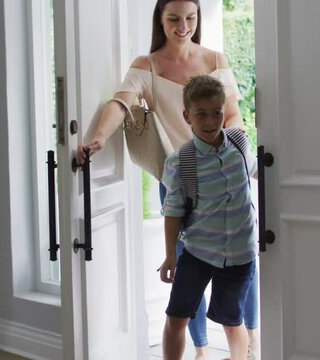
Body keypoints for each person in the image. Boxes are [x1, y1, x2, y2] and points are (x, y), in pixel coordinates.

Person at [76, 1, 260, 358]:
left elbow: (234, 114)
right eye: (174, 19)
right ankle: (201, 349)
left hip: (222, 170)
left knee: (241, 259)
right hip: (181, 177)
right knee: (188, 274)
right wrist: (98, 138)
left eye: (190, 18)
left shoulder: (215, 60)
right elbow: (120, 103)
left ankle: (252, 342)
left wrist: (227, 154)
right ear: (160, 20)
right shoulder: (147, 66)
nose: (183, 26)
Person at [158, 75, 257, 360]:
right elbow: (172, 212)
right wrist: (170, 256)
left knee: (232, 319)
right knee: (177, 316)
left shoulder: (239, 144)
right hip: (198, 252)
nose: (211, 121)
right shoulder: (181, 161)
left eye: (217, 113)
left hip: (240, 253)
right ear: (187, 116)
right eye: (202, 114)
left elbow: (257, 172)